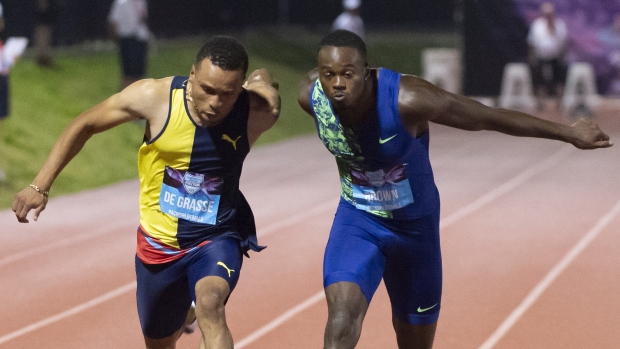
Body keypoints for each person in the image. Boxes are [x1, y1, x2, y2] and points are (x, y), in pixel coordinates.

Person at [297, 30, 612, 349]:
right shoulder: (312, 97)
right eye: (329, 74)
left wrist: (567, 132)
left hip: (415, 233)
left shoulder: (407, 99)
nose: (337, 83)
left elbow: (486, 118)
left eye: (348, 74)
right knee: (341, 320)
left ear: (366, 72)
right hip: (359, 222)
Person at [13, 35, 281, 349]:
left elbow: (267, 89)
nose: (215, 103)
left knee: (211, 304)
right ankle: (185, 312)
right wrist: (39, 185)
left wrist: (263, 83)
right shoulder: (155, 98)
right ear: (192, 75)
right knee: (160, 343)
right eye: (207, 90)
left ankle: (198, 306)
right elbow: (85, 123)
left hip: (217, 237)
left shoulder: (255, 112)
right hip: (158, 246)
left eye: (228, 94)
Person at [527, 2, 569, 109]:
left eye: (550, 13)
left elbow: (563, 43)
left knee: (558, 79)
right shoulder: (537, 25)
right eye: (546, 13)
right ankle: (539, 102)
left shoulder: (559, 25)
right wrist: (533, 57)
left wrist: (562, 57)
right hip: (541, 56)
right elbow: (532, 42)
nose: (548, 16)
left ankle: (560, 102)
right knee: (539, 79)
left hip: (555, 57)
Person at [108, 0, 151, 90]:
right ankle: (124, 97)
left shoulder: (141, 1)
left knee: (139, 72)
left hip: (140, 37)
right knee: (128, 73)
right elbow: (114, 21)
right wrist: (117, 39)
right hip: (127, 38)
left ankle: (138, 96)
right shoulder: (121, 2)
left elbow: (143, 17)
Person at [33, 0, 59, 67]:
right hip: (42, 17)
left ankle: (45, 57)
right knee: (42, 36)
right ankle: (43, 58)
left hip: (45, 17)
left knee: (46, 36)